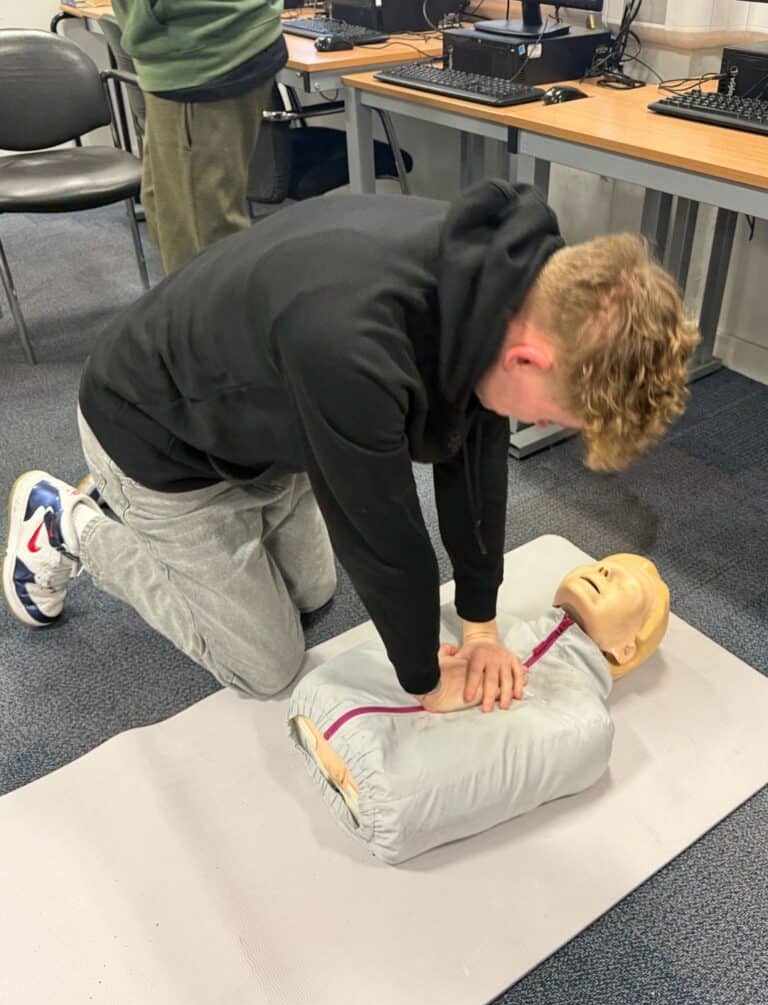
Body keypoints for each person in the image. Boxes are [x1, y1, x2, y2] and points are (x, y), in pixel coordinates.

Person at [2, 181, 698, 713]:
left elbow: (474, 449)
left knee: (315, 594)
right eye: (563, 415)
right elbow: (381, 526)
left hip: (273, 429)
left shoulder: (508, 287)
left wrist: (480, 625)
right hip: (154, 438)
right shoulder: (353, 343)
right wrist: (423, 676)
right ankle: (67, 522)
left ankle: (168, 533)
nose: (556, 427)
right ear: (528, 359)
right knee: (267, 668)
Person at [289, 553, 669, 863]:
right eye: (604, 562)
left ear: (626, 650)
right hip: (323, 705)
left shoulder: (585, 724)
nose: (602, 568)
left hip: (375, 793)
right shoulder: (487, 619)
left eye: (624, 580)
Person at [110, 0, 288, 273]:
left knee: (199, 239)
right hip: (193, 45)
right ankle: (200, 311)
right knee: (165, 208)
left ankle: (215, 315)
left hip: (202, 50)